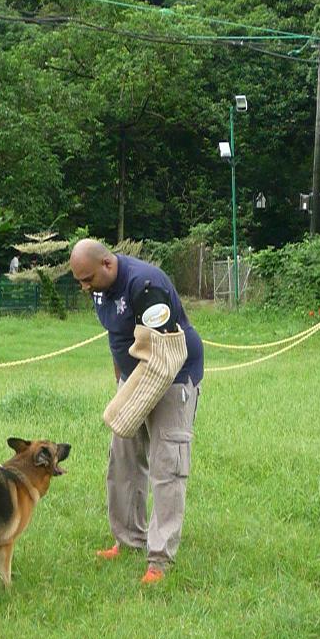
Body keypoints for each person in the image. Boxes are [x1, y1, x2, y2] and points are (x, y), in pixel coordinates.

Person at [69, 239, 203, 584]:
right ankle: (128, 539)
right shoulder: (101, 287)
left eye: (87, 279)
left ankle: (159, 560)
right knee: (123, 460)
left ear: (107, 265)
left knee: (167, 464)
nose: (84, 288)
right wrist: (122, 386)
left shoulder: (145, 285)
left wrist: (140, 400)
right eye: (79, 281)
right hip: (135, 377)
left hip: (173, 376)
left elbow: (164, 352)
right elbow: (118, 339)